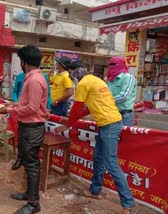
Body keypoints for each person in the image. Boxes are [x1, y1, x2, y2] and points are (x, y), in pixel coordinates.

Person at [55, 62, 135, 214]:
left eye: (72, 76)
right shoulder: (96, 80)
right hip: (107, 124)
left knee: (111, 163)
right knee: (98, 158)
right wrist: (71, 121)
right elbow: (87, 109)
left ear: (75, 73)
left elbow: (78, 107)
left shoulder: (84, 84)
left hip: (110, 125)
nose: (73, 80)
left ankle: (128, 204)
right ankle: (95, 191)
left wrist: (69, 124)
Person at [0, 45, 48, 214]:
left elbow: (32, 108)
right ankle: (28, 194)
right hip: (29, 126)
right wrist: (14, 104)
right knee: (28, 162)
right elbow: (27, 103)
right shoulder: (32, 77)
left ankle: (34, 204)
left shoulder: (33, 80)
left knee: (32, 164)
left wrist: (10, 110)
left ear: (24, 62)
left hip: (32, 127)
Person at [11, 71, 52, 170]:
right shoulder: (20, 76)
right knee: (21, 137)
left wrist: (48, 107)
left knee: (31, 146)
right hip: (22, 110)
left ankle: (29, 163)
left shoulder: (42, 77)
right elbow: (15, 91)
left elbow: (48, 94)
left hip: (35, 114)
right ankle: (20, 158)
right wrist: (17, 103)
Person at [106, 56, 137, 126]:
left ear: (121, 64)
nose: (111, 67)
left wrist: (106, 100)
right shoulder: (109, 79)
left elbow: (124, 96)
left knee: (123, 136)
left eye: (114, 64)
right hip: (111, 113)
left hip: (124, 115)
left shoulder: (128, 77)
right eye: (110, 65)